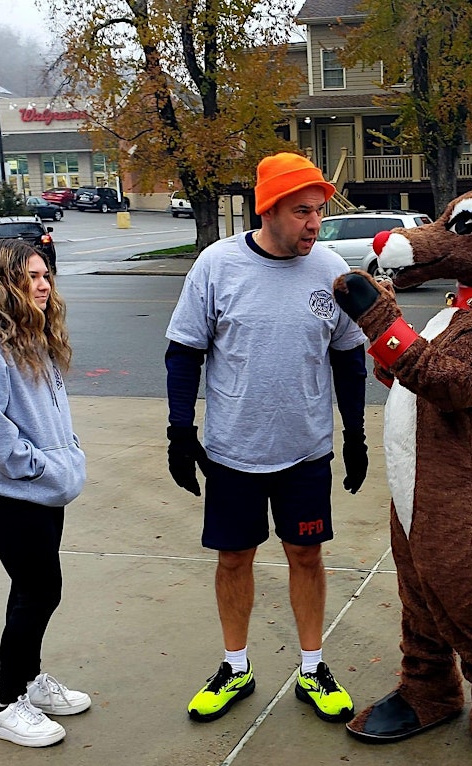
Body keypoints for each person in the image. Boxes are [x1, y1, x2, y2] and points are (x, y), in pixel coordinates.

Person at [165, 152, 368, 724]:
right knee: (234, 557)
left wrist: (355, 435)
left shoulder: (330, 269)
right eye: (302, 211)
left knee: (306, 554)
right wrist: (181, 431)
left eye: (320, 212)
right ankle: (235, 666)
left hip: (306, 449)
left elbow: (349, 359)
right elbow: (184, 353)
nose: (314, 224)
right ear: (269, 209)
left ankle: (312, 667)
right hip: (233, 451)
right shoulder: (216, 266)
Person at [0, 240, 89, 748]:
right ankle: (7, 704)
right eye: (30, 277)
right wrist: (41, 466)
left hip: (41, 486)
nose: (44, 284)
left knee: (35, 588)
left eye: (45, 274)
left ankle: (29, 683)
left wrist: (63, 457)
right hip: (9, 490)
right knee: (39, 589)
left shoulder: (29, 331)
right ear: (1, 282)